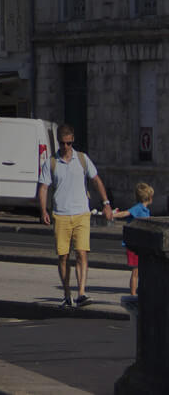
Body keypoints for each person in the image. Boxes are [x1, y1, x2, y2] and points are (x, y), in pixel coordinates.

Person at [38, 124, 114, 307]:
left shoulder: (82, 159)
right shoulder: (51, 163)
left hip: (81, 214)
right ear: (58, 142)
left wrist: (106, 204)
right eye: (63, 143)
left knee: (82, 253)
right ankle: (66, 294)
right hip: (61, 215)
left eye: (69, 143)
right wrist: (43, 210)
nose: (66, 147)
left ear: (73, 141)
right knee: (63, 256)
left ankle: (81, 293)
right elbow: (43, 188)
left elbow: (96, 180)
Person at [112, 182, 154, 304]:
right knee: (135, 272)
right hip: (134, 245)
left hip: (141, 245)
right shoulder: (138, 208)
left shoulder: (145, 210)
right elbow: (126, 213)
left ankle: (139, 293)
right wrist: (113, 215)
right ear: (150, 198)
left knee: (141, 271)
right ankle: (133, 295)